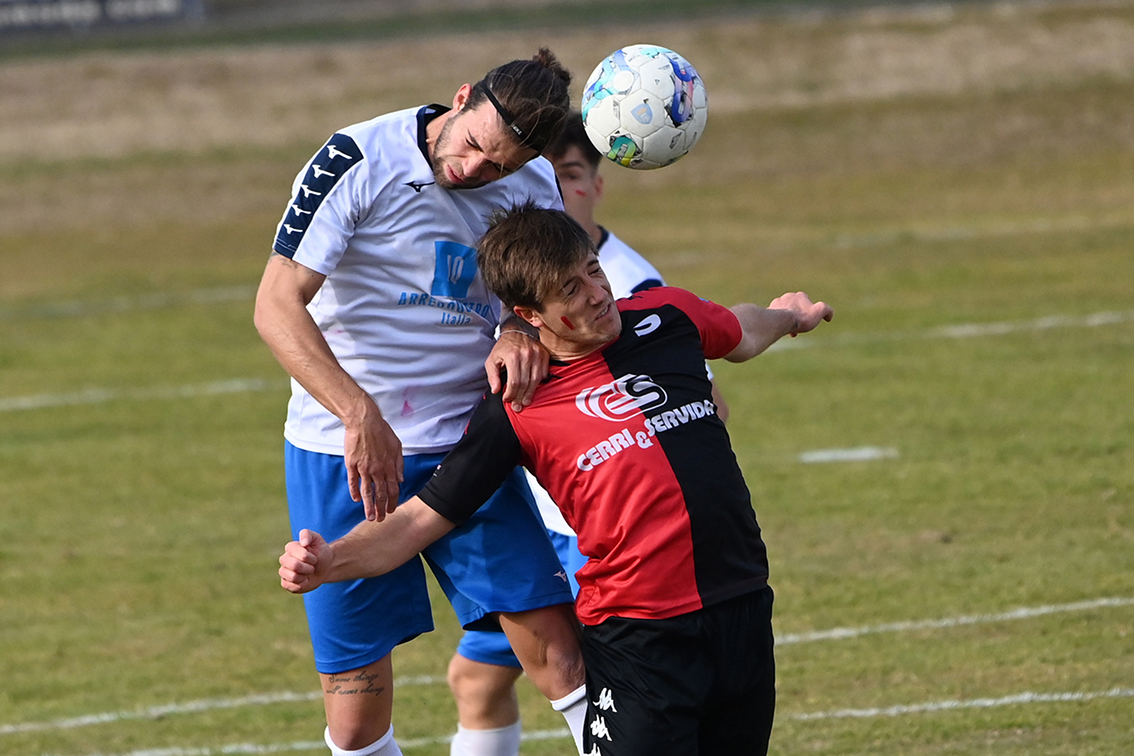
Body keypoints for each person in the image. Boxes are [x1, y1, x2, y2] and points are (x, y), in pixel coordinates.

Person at [278, 205, 834, 756]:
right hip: (640, 640)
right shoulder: (516, 408)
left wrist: (788, 317)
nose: (596, 293)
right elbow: (418, 520)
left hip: (742, 610)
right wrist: (332, 562)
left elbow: (739, 331)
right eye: (570, 289)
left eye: (593, 270)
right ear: (530, 314)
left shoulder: (667, 317)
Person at [254, 51, 589, 756]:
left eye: (497, 166)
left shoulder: (531, 186)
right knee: (354, 724)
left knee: (562, 659)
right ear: (460, 98)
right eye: (471, 145)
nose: (474, 171)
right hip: (340, 454)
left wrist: (515, 330)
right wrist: (358, 413)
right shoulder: (355, 158)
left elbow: (530, 302)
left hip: (469, 452)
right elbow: (276, 304)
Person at [444, 113, 729, 756]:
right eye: (543, 175)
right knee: (476, 680)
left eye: (571, 175)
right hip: (531, 516)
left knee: (595, 689)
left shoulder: (631, 288)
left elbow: (701, 402)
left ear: (596, 185)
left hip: (592, 536)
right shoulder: (523, 271)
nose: (558, 190)